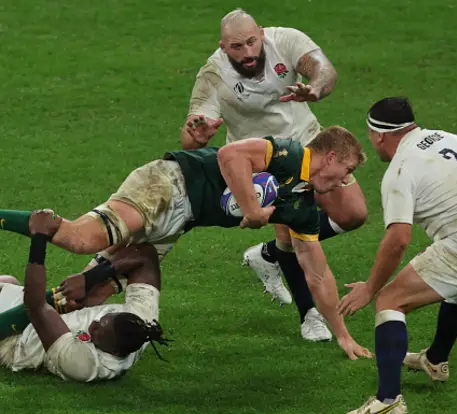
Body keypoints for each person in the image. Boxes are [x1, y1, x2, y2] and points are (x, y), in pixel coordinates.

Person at [0, 126, 372, 360]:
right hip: (168, 185)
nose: (345, 181)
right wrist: (252, 209)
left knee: (90, 293)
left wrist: (342, 335)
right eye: (348, 171)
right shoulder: (291, 155)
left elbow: (318, 275)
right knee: (81, 239)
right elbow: (230, 155)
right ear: (332, 156)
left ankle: (5, 327)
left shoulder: (302, 206)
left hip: (180, 220)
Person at [181, 8, 368, 342]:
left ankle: (267, 256)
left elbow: (323, 69)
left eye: (252, 42)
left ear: (262, 33)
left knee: (354, 213)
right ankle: (309, 314)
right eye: (237, 47)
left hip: (309, 143)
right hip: (263, 162)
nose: (248, 52)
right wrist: (196, 135)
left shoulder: (286, 40)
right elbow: (194, 126)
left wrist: (315, 88)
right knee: (295, 235)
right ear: (224, 47)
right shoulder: (213, 75)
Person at [338, 98, 457, 414]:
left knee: (390, 300)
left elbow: (398, 240)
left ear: (379, 135)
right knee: (453, 281)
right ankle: (435, 360)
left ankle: (388, 400)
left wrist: (370, 288)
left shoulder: (399, 170)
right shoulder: (453, 139)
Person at [0, 211, 169, 382]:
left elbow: (35, 306)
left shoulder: (84, 364)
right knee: (8, 281)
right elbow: (145, 255)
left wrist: (39, 236)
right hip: (42, 312)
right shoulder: (141, 321)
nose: (93, 324)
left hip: (17, 336)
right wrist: (89, 279)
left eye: (97, 331)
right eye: (102, 318)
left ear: (114, 352)